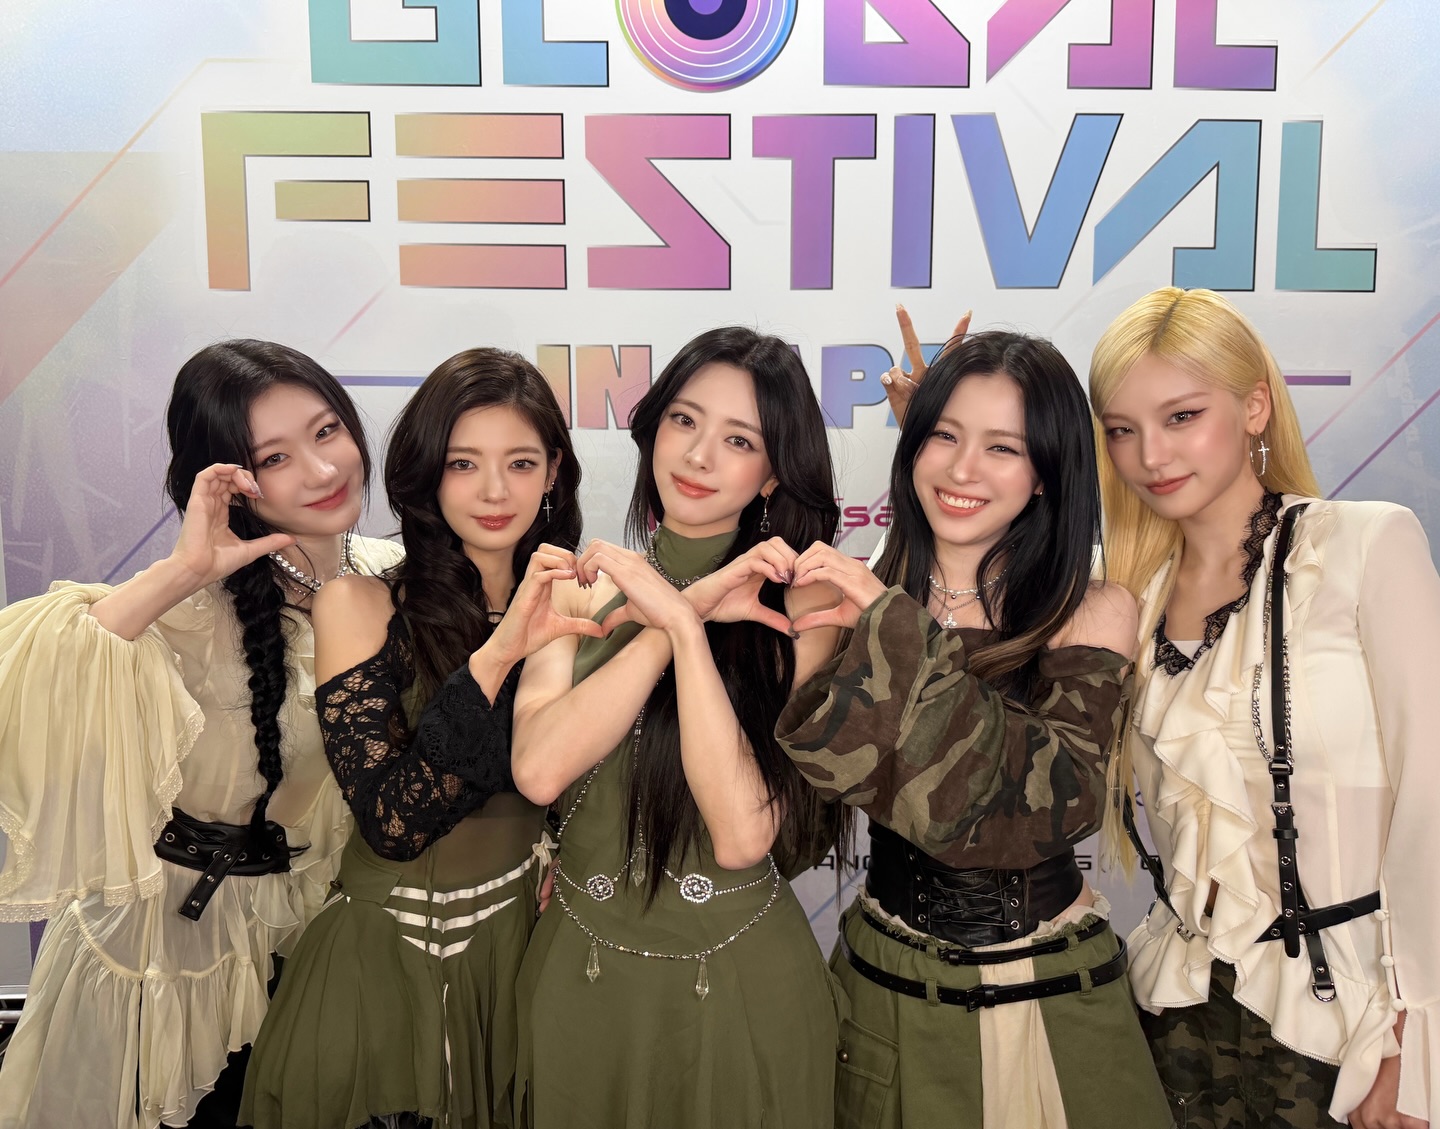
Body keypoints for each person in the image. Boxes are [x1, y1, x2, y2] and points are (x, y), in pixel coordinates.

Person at [0, 341, 402, 1128]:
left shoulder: (396, 575)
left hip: (316, 930)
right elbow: (28, 683)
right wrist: (184, 571)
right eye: (275, 457)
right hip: (164, 949)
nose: (323, 469)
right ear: (228, 479)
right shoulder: (182, 607)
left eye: (327, 431)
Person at [776, 330, 1172, 1128]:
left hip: (1050, 990)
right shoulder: (844, 596)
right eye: (944, 435)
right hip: (882, 983)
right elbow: (816, 786)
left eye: (1003, 447)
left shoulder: (1094, 609)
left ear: (1045, 472)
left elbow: (1046, 810)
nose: (962, 470)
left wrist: (893, 624)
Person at [1090, 286, 1437, 1129]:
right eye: (1122, 429)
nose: (1151, 454)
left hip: (1345, 1029)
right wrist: (935, 440)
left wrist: (1416, 1044)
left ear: (1255, 407)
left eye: (1182, 416)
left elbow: (1431, 801)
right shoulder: (1122, 592)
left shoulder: (1362, 546)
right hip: (1171, 1017)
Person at [240, 348, 598, 1129]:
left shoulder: (581, 605)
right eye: (464, 462)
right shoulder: (359, 603)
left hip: (524, 951)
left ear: (553, 473)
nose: (495, 490)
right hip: (386, 964)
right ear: (428, 473)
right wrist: (500, 653)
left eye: (520, 462)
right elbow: (392, 821)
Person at [508, 326, 846, 1129]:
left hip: (735, 989)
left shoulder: (804, 607)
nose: (698, 455)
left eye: (739, 440)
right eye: (684, 421)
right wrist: (678, 613)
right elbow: (540, 770)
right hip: (577, 980)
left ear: (773, 472)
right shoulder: (577, 587)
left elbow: (742, 835)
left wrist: (688, 634)